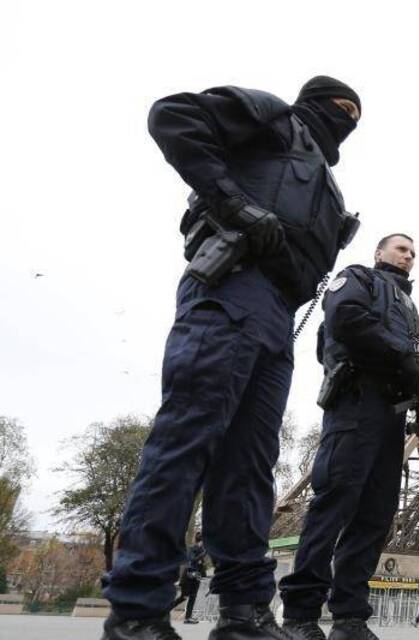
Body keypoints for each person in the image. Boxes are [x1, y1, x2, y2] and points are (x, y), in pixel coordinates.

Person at [100, 75, 363, 640]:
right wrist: (235, 206)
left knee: (250, 467)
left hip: (277, 318)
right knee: (188, 438)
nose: (347, 119)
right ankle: (138, 608)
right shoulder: (274, 119)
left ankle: (244, 610)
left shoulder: (328, 183)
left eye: (355, 115)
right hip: (231, 288)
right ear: (314, 103)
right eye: (340, 109)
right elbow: (173, 116)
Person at [278, 234, 419, 640]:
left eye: (414, 254)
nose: (409, 257)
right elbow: (346, 318)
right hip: (356, 403)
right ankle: (300, 614)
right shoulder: (357, 279)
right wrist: (400, 354)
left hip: (391, 417)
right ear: (379, 252)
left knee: (374, 517)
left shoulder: (411, 310)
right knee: (333, 504)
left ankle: (350, 616)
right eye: (402, 249)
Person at [171, 533, 206, 624]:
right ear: (201, 541)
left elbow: (201, 564)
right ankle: (164, 610)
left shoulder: (202, 549)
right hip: (189, 575)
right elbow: (192, 560)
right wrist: (203, 555)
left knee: (193, 597)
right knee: (184, 597)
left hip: (196, 576)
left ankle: (188, 618)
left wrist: (203, 575)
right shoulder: (192, 548)